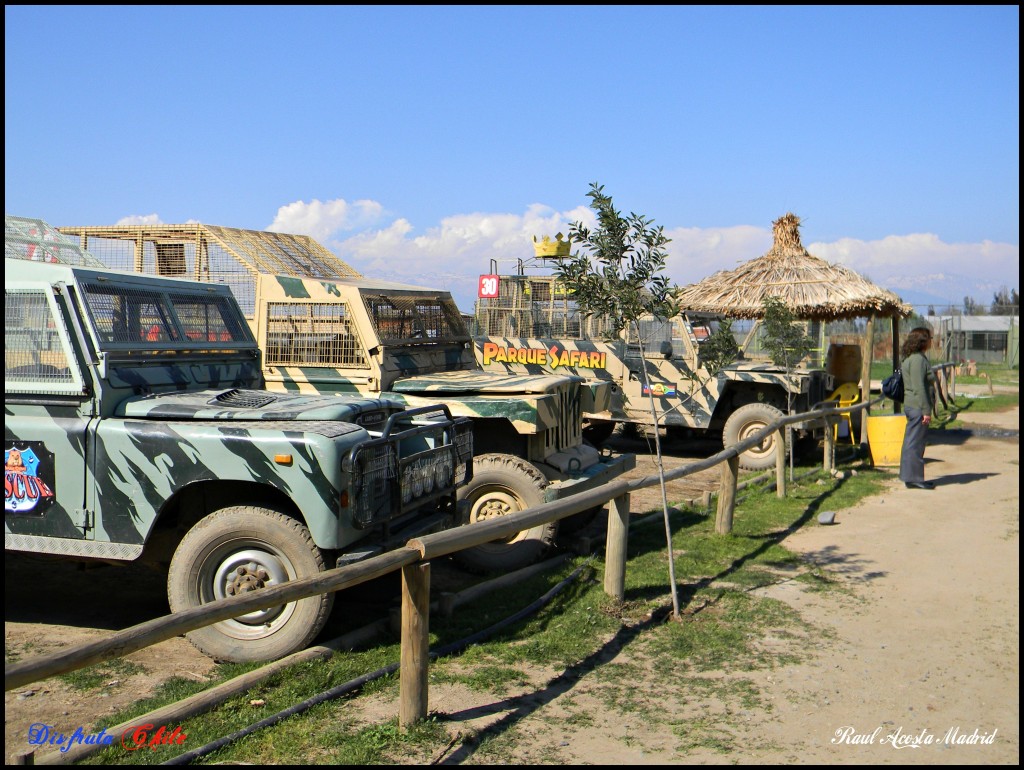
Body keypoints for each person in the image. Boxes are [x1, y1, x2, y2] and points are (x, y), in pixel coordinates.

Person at [899, 327, 937, 489]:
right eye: (930, 338)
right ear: (923, 341)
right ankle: (913, 478)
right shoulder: (917, 360)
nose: (931, 341)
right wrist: (926, 411)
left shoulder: (914, 358)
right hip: (917, 407)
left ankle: (912, 476)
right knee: (914, 443)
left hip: (913, 405)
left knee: (914, 442)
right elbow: (919, 387)